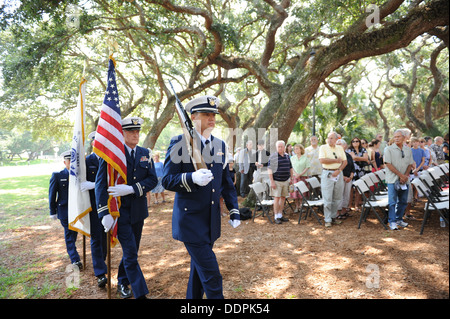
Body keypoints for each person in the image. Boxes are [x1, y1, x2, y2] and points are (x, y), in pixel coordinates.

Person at [162, 95, 240, 299]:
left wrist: (234, 209)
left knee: (198, 274)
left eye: (213, 114)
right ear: (193, 117)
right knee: (212, 275)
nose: (212, 118)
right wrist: (191, 177)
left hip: (211, 221)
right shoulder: (179, 143)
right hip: (190, 221)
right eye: (206, 114)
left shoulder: (220, 145)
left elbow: (225, 182)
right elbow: (167, 180)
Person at [95, 116, 158, 299]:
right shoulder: (112, 154)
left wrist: (132, 189)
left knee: (132, 251)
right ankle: (140, 293)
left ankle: (122, 282)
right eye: (131, 131)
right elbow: (100, 184)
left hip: (138, 211)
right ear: (121, 133)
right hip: (119, 211)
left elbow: (152, 179)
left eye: (137, 131)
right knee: (130, 253)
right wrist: (103, 212)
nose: (135, 135)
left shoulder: (145, 152)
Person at [80, 131, 108, 288]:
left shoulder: (110, 160)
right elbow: (80, 182)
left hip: (107, 204)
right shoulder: (87, 161)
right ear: (93, 144)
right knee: (96, 238)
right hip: (92, 205)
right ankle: (100, 273)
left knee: (104, 238)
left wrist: (96, 185)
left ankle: (101, 261)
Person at [49, 151, 82, 270]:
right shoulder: (57, 175)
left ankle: (72, 252)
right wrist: (52, 211)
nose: (71, 163)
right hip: (64, 210)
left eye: (73, 161)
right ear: (65, 162)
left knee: (73, 234)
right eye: (69, 161)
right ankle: (75, 259)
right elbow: (52, 195)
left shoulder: (80, 175)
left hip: (77, 210)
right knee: (69, 234)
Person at [383, 129, 415, 230]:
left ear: (404, 138)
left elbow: (410, 164)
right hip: (393, 180)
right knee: (392, 202)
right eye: (395, 136)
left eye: (398, 136)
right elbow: (388, 164)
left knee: (403, 201)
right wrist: (401, 175)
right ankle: (392, 221)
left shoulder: (408, 149)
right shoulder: (388, 149)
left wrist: (405, 176)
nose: (396, 138)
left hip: (404, 180)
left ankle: (399, 219)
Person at [318, 132, 347, 227]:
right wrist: (335, 161)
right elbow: (322, 160)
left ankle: (334, 217)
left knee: (337, 197)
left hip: (338, 173)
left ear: (336, 140)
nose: (329, 140)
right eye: (328, 138)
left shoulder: (339, 148)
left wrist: (338, 170)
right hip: (327, 173)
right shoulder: (323, 147)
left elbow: (345, 161)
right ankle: (327, 219)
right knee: (327, 197)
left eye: (331, 138)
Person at [268, 140, 294, 224]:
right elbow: (269, 170)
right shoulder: (273, 157)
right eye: (278, 146)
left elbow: (290, 167)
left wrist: (292, 178)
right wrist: (272, 181)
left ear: (284, 147)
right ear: (276, 147)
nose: (280, 148)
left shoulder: (287, 156)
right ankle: (276, 216)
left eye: (281, 146)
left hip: (286, 180)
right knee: (276, 198)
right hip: (276, 181)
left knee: (283, 198)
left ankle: (280, 215)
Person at [347, 137, 368, 211]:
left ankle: (356, 205)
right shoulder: (349, 150)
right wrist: (361, 158)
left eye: (357, 141)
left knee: (358, 189)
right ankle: (349, 205)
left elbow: (366, 158)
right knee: (351, 189)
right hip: (353, 170)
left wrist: (357, 158)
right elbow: (354, 158)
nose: (355, 142)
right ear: (351, 143)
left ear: (359, 142)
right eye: (353, 141)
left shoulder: (363, 149)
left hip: (361, 171)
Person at [336, 139, 354, 219]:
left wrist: (350, 177)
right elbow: (336, 168)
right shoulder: (335, 156)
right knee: (339, 195)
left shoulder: (348, 155)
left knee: (347, 195)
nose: (339, 145)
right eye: (338, 144)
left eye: (341, 144)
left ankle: (344, 211)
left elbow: (353, 168)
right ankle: (338, 212)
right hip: (339, 178)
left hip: (349, 178)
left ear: (345, 146)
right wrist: (343, 177)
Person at [290, 144, 310, 212]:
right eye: (295, 149)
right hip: (295, 177)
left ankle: (301, 206)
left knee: (302, 192)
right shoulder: (292, 158)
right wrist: (295, 174)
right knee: (295, 192)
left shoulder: (305, 158)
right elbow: (291, 167)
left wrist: (300, 174)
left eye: (297, 148)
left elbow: (307, 167)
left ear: (301, 149)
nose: (296, 150)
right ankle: (296, 206)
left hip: (303, 177)